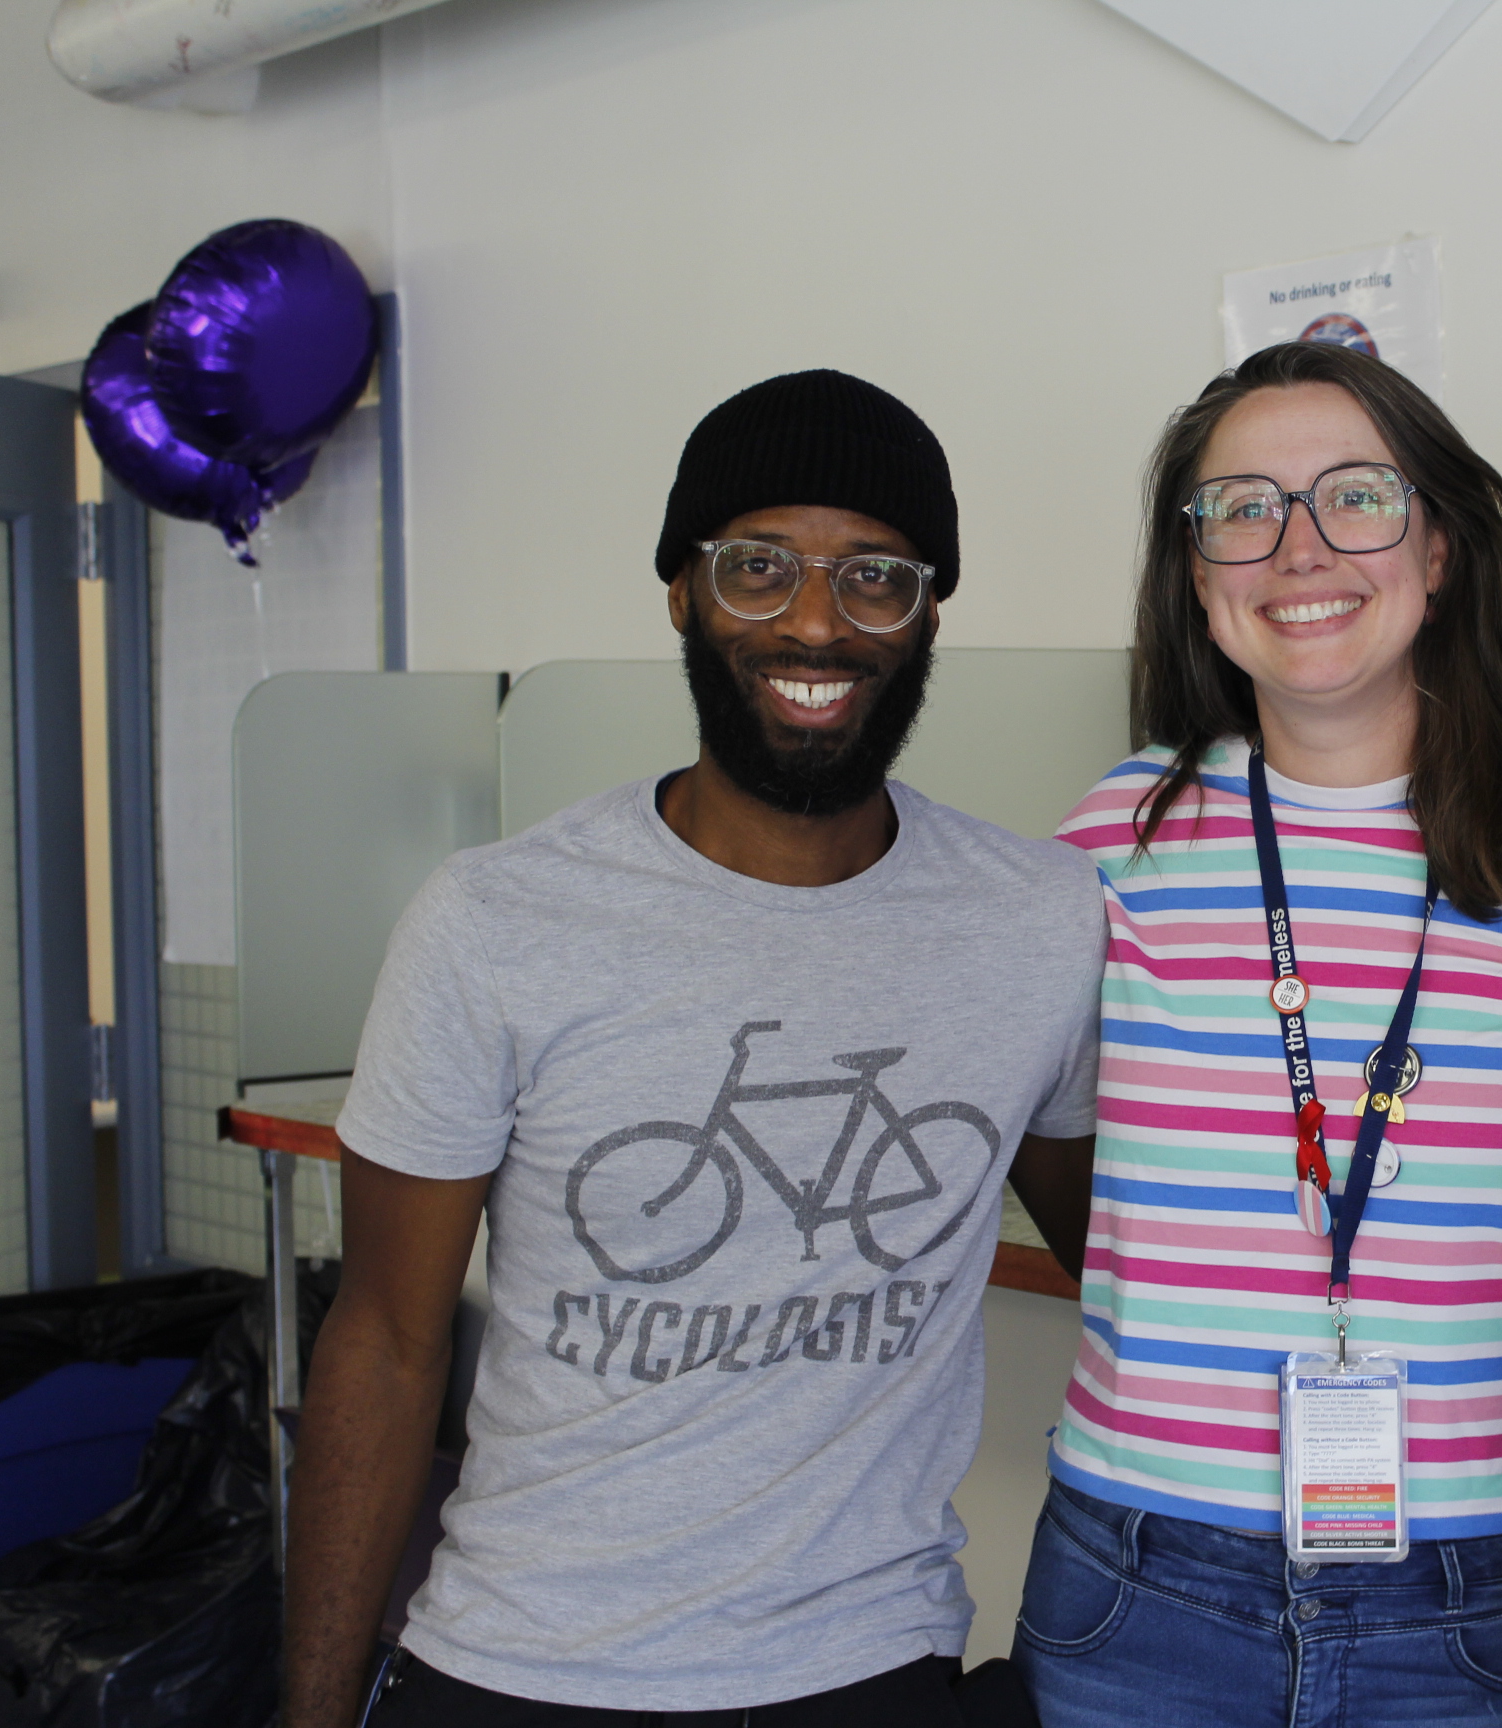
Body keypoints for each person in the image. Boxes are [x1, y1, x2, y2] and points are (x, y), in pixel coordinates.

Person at [282, 370, 1103, 1728]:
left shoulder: (1038, 919)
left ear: (929, 610)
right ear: (681, 589)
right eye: (759, 567)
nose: (819, 622)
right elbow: (380, 1341)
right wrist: (312, 1713)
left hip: (868, 1666)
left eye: (877, 577)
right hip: (519, 1665)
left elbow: (1131, 1267)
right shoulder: (496, 920)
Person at [1010, 341, 1502, 1728]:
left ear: (1440, 546)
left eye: (1357, 497)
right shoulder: (1110, 841)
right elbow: (1053, 1142)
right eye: (1243, 508)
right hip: (1140, 1585)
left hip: (1487, 1584)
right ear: (1196, 574)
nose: (1298, 548)